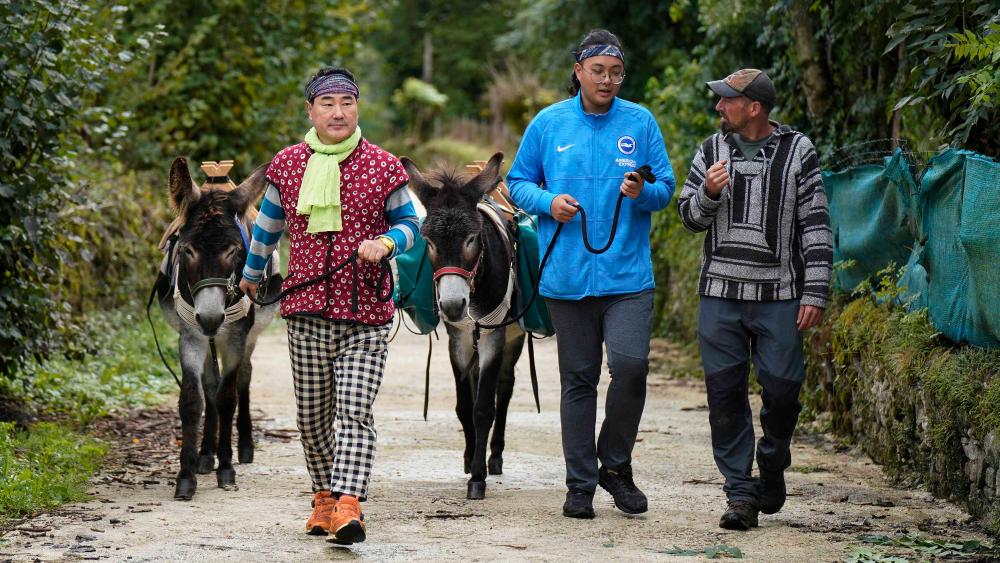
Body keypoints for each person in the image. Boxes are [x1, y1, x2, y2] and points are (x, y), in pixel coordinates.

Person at [238, 66, 418, 544]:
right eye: (327, 104)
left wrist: (385, 241)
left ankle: (348, 504)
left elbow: (411, 225)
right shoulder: (287, 165)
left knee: (355, 409)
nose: (338, 113)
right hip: (306, 308)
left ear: (358, 107)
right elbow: (267, 232)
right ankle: (322, 498)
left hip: (367, 313)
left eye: (346, 103)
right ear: (310, 110)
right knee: (313, 416)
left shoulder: (384, 166)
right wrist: (250, 279)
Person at [507, 29, 676, 519]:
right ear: (578, 72)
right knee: (578, 380)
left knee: (631, 368)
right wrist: (548, 202)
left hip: (627, 277)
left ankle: (615, 466)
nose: (607, 80)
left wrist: (641, 193)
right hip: (567, 274)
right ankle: (579, 484)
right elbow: (517, 182)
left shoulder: (640, 122)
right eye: (598, 70)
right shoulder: (548, 123)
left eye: (616, 72)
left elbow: (664, 187)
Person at [677, 68, 832, 530]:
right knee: (724, 398)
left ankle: (772, 459)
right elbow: (688, 218)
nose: (720, 107)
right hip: (720, 295)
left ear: (754, 108)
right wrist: (707, 193)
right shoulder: (710, 150)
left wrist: (816, 289)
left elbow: (817, 225)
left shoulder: (798, 151)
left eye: (728, 100)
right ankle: (740, 494)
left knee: (783, 392)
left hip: (780, 295)